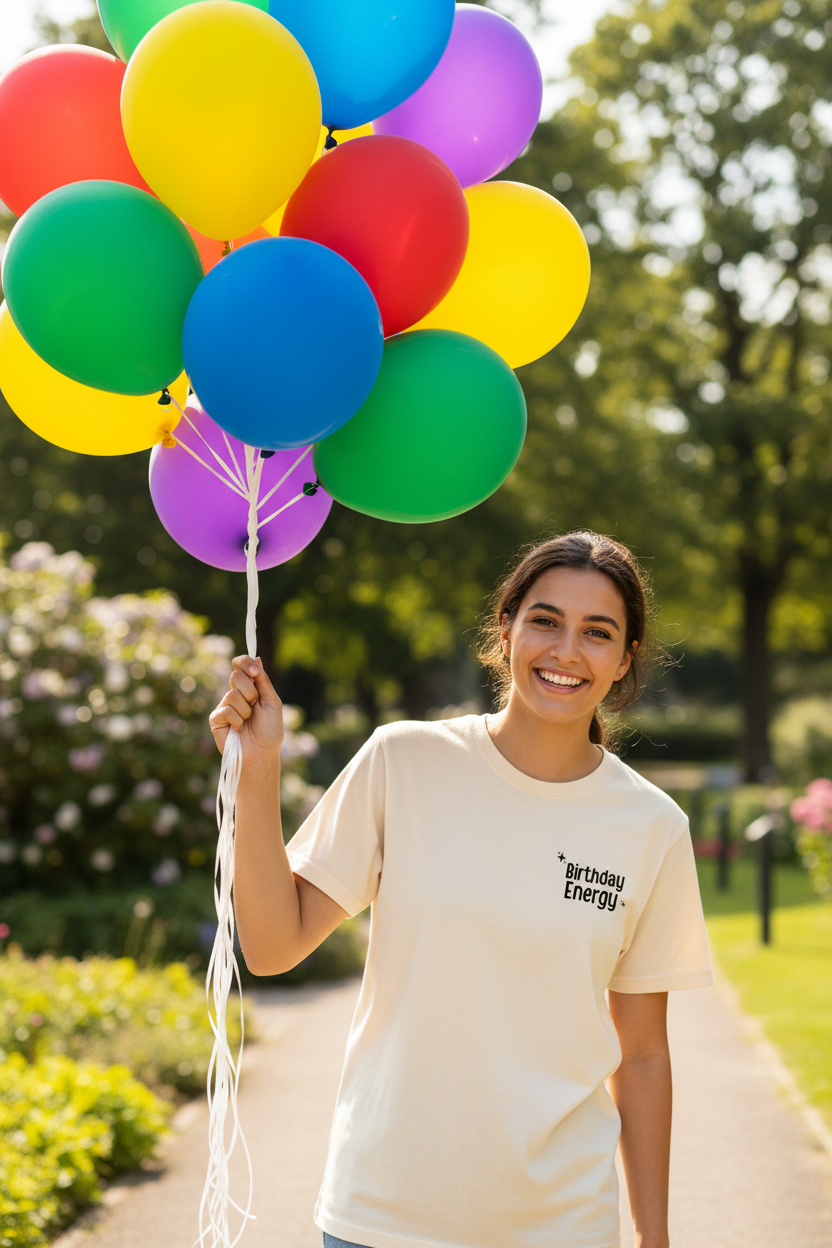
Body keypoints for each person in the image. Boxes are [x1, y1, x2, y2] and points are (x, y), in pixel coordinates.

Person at [209, 530, 712, 1248]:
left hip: (562, 1227)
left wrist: (653, 1239)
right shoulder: (404, 761)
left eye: (597, 633)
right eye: (545, 621)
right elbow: (270, 947)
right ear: (506, 630)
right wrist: (257, 772)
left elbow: (642, 1056)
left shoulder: (651, 826)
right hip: (382, 1216)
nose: (567, 651)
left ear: (625, 658)